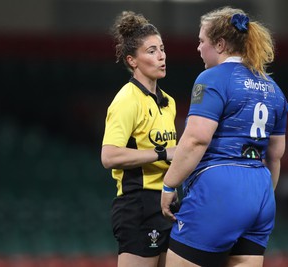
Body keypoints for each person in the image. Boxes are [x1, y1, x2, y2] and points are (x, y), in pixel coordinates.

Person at [160, 6, 288, 267]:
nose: (198, 48)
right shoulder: (273, 87)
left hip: (220, 187)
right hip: (261, 193)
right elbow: (275, 156)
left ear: (219, 44)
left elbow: (196, 139)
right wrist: (256, 199)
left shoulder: (212, 78)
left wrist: (169, 185)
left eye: (201, 41)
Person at [101, 11, 178, 267]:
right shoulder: (126, 100)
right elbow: (109, 156)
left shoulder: (169, 103)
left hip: (168, 203)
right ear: (132, 60)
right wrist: (162, 153)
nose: (161, 56)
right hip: (137, 204)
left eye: (162, 49)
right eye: (152, 51)